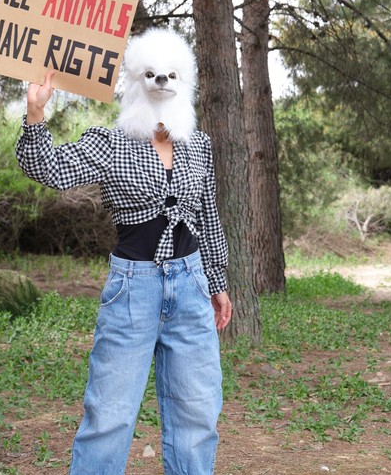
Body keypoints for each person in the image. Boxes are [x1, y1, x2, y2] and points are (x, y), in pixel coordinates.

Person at [16, 28, 231, 475]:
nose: (161, 83)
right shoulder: (109, 143)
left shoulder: (200, 145)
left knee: (198, 414)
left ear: (183, 82)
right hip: (133, 290)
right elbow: (47, 166)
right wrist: (36, 115)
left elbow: (208, 216)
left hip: (191, 288)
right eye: (151, 75)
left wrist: (218, 283)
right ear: (136, 81)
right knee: (109, 417)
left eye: (170, 76)